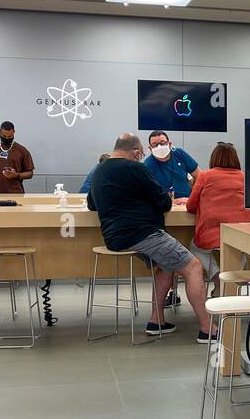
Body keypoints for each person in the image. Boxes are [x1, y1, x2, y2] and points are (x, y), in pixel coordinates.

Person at [87, 132, 212, 342]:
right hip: (143, 233)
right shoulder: (137, 169)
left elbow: (92, 204)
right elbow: (163, 203)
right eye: (141, 153)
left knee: (166, 265)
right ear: (136, 152)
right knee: (193, 266)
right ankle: (208, 328)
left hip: (114, 238)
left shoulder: (99, 170)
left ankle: (157, 321)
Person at [185, 141, 250, 287]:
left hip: (211, 235)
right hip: (244, 233)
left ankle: (217, 277)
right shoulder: (245, 177)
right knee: (240, 249)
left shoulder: (205, 176)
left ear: (214, 158)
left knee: (194, 247)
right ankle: (232, 282)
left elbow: (191, 206)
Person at [0, 121, 34, 194]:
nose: (7, 138)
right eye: (4, 136)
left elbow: (30, 173)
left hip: (16, 193)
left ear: (14, 132)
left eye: (10, 137)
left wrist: (17, 175)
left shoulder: (22, 150)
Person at [142, 129, 197, 201]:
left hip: (187, 201)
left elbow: (199, 175)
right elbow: (145, 192)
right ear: (150, 148)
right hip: (162, 205)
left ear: (169, 144)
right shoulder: (147, 165)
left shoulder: (179, 154)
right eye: (155, 145)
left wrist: (194, 196)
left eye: (162, 143)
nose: (159, 147)